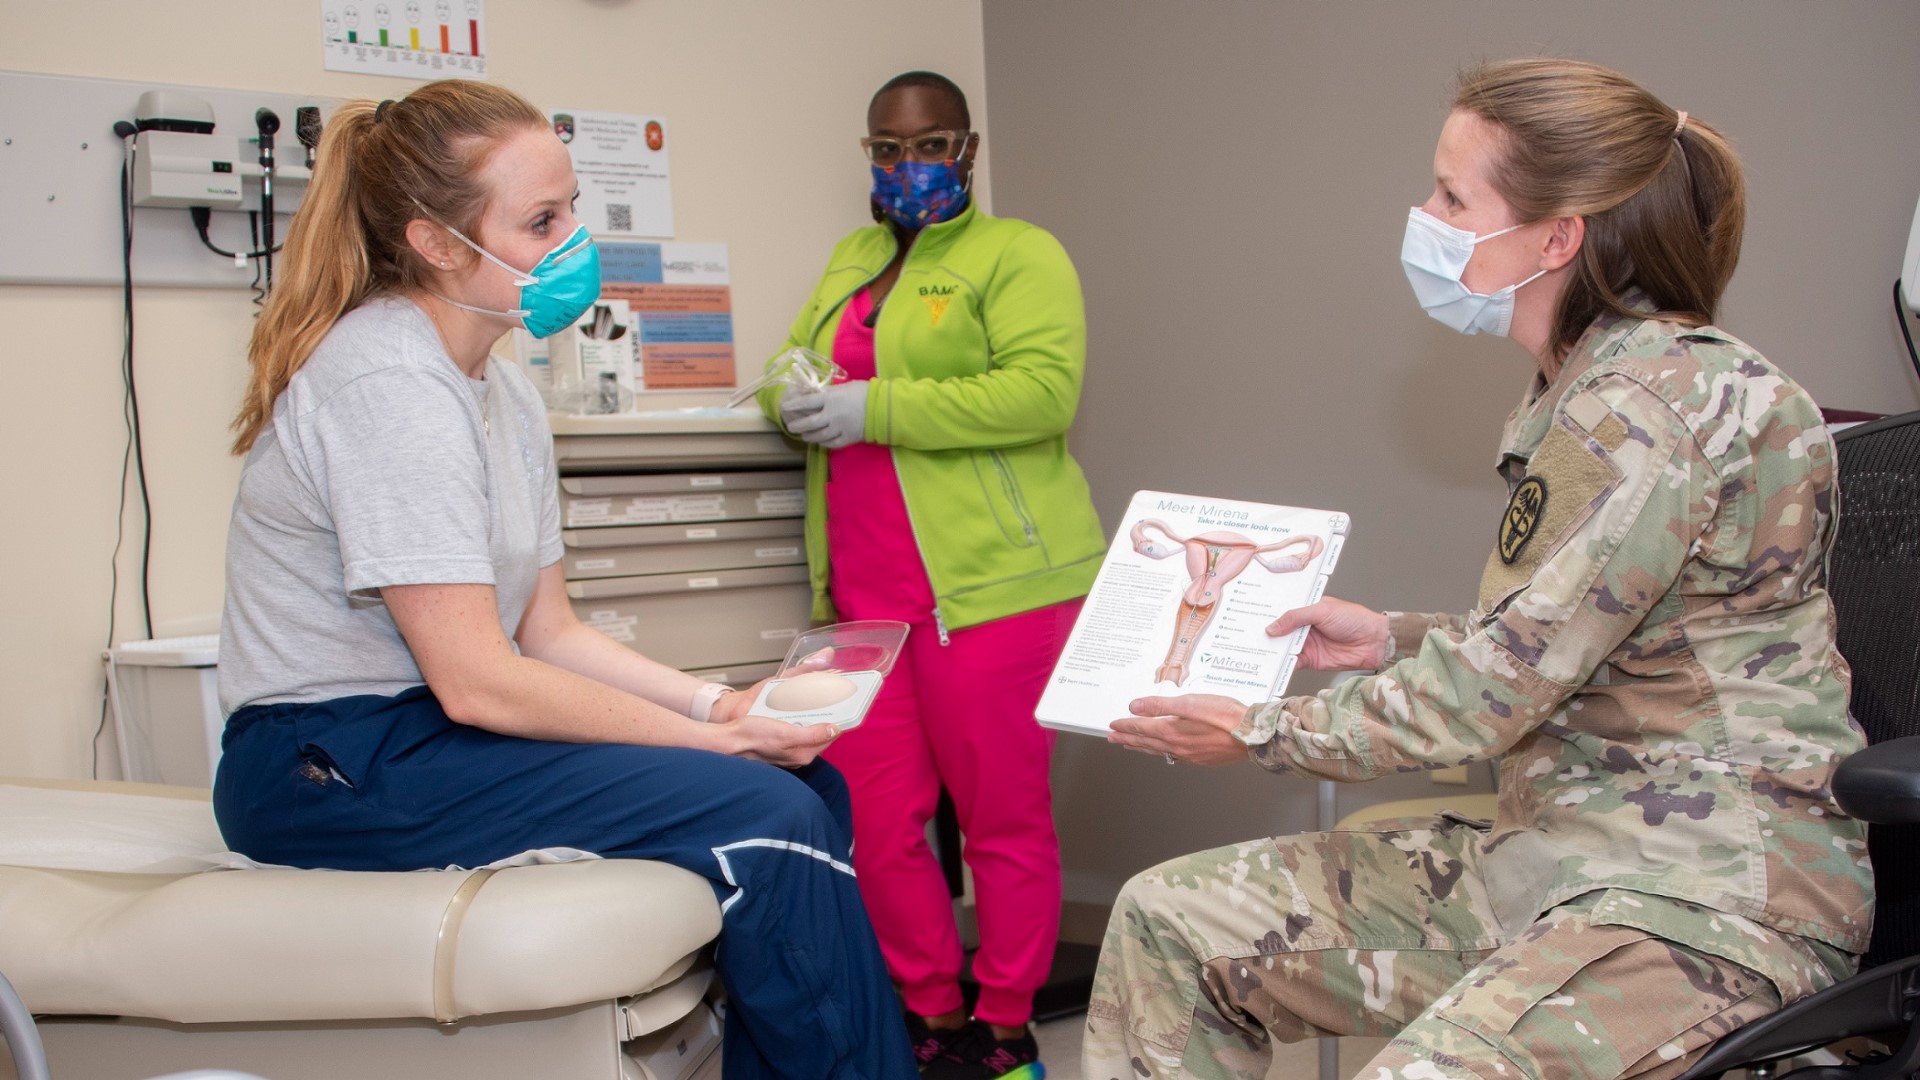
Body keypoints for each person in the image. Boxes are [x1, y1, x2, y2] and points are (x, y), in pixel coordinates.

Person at [1087, 58, 1874, 1080]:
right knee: (1172, 924)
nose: (1424, 215)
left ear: (1557, 238)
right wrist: (1394, 639)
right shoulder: (1586, 388)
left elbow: (1491, 699)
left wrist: (1260, 729)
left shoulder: (1650, 407)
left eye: (1453, 198)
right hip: (1556, 855)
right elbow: (1583, 646)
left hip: (1703, 901)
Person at [211, 80, 914, 1080]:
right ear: (440, 243)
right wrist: (714, 743)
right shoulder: (390, 386)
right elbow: (481, 680)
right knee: (769, 815)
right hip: (321, 764)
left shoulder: (498, 386)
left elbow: (548, 633)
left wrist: (726, 705)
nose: (577, 238)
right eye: (543, 221)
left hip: (422, 733)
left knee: (808, 785)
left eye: (572, 205)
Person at [757, 70, 1106, 1080]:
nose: (906, 168)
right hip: (863, 600)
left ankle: (1002, 1025)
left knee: (1000, 815)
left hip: (993, 591)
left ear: (967, 150)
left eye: (927, 145)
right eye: (886, 150)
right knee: (870, 813)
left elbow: (1042, 393)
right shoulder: (853, 257)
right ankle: (928, 1014)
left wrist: (879, 408)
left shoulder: (1018, 253)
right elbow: (796, 354)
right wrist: (793, 390)